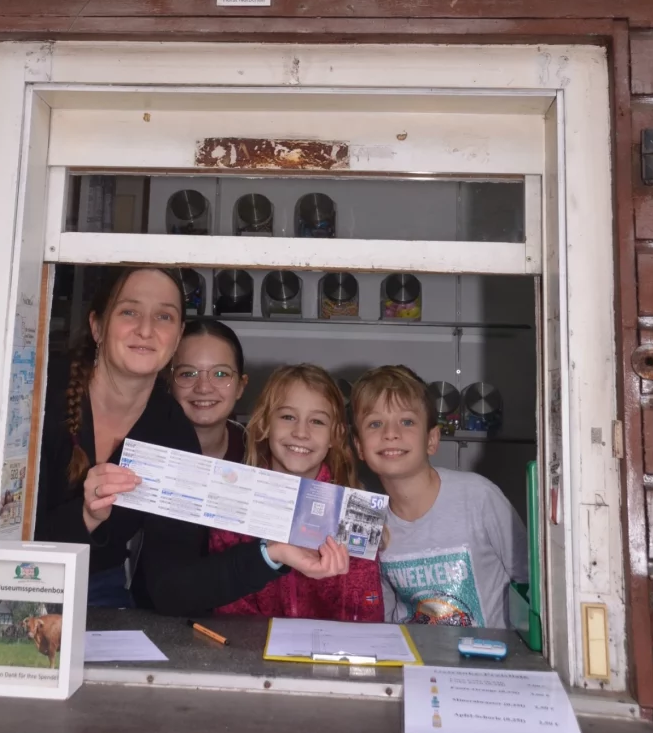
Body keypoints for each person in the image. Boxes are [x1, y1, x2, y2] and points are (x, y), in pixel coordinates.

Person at [35, 266, 349, 610]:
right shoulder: (38, 392)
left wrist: (272, 554)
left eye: (164, 317)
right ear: (97, 326)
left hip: (96, 592)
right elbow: (7, 536)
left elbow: (170, 586)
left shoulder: (173, 432)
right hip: (17, 575)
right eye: (129, 312)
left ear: (178, 335)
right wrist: (85, 515)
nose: (146, 329)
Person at [351, 365, 528, 628]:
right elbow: (379, 609)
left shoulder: (478, 497)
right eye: (375, 424)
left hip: (490, 654)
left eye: (407, 421)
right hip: (411, 652)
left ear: (432, 439)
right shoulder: (365, 518)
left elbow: (531, 581)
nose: (390, 433)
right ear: (359, 447)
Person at [209, 364, 384, 621]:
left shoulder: (356, 514)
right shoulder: (234, 501)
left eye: (317, 421)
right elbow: (227, 611)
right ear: (265, 424)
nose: (301, 432)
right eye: (288, 417)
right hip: (250, 645)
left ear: (335, 435)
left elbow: (367, 616)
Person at [168, 318, 247, 461]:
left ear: (240, 387)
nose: (203, 388)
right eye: (188, 374)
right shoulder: (139, 444)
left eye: (220, 374)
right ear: (169, 384)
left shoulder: (260, 454)